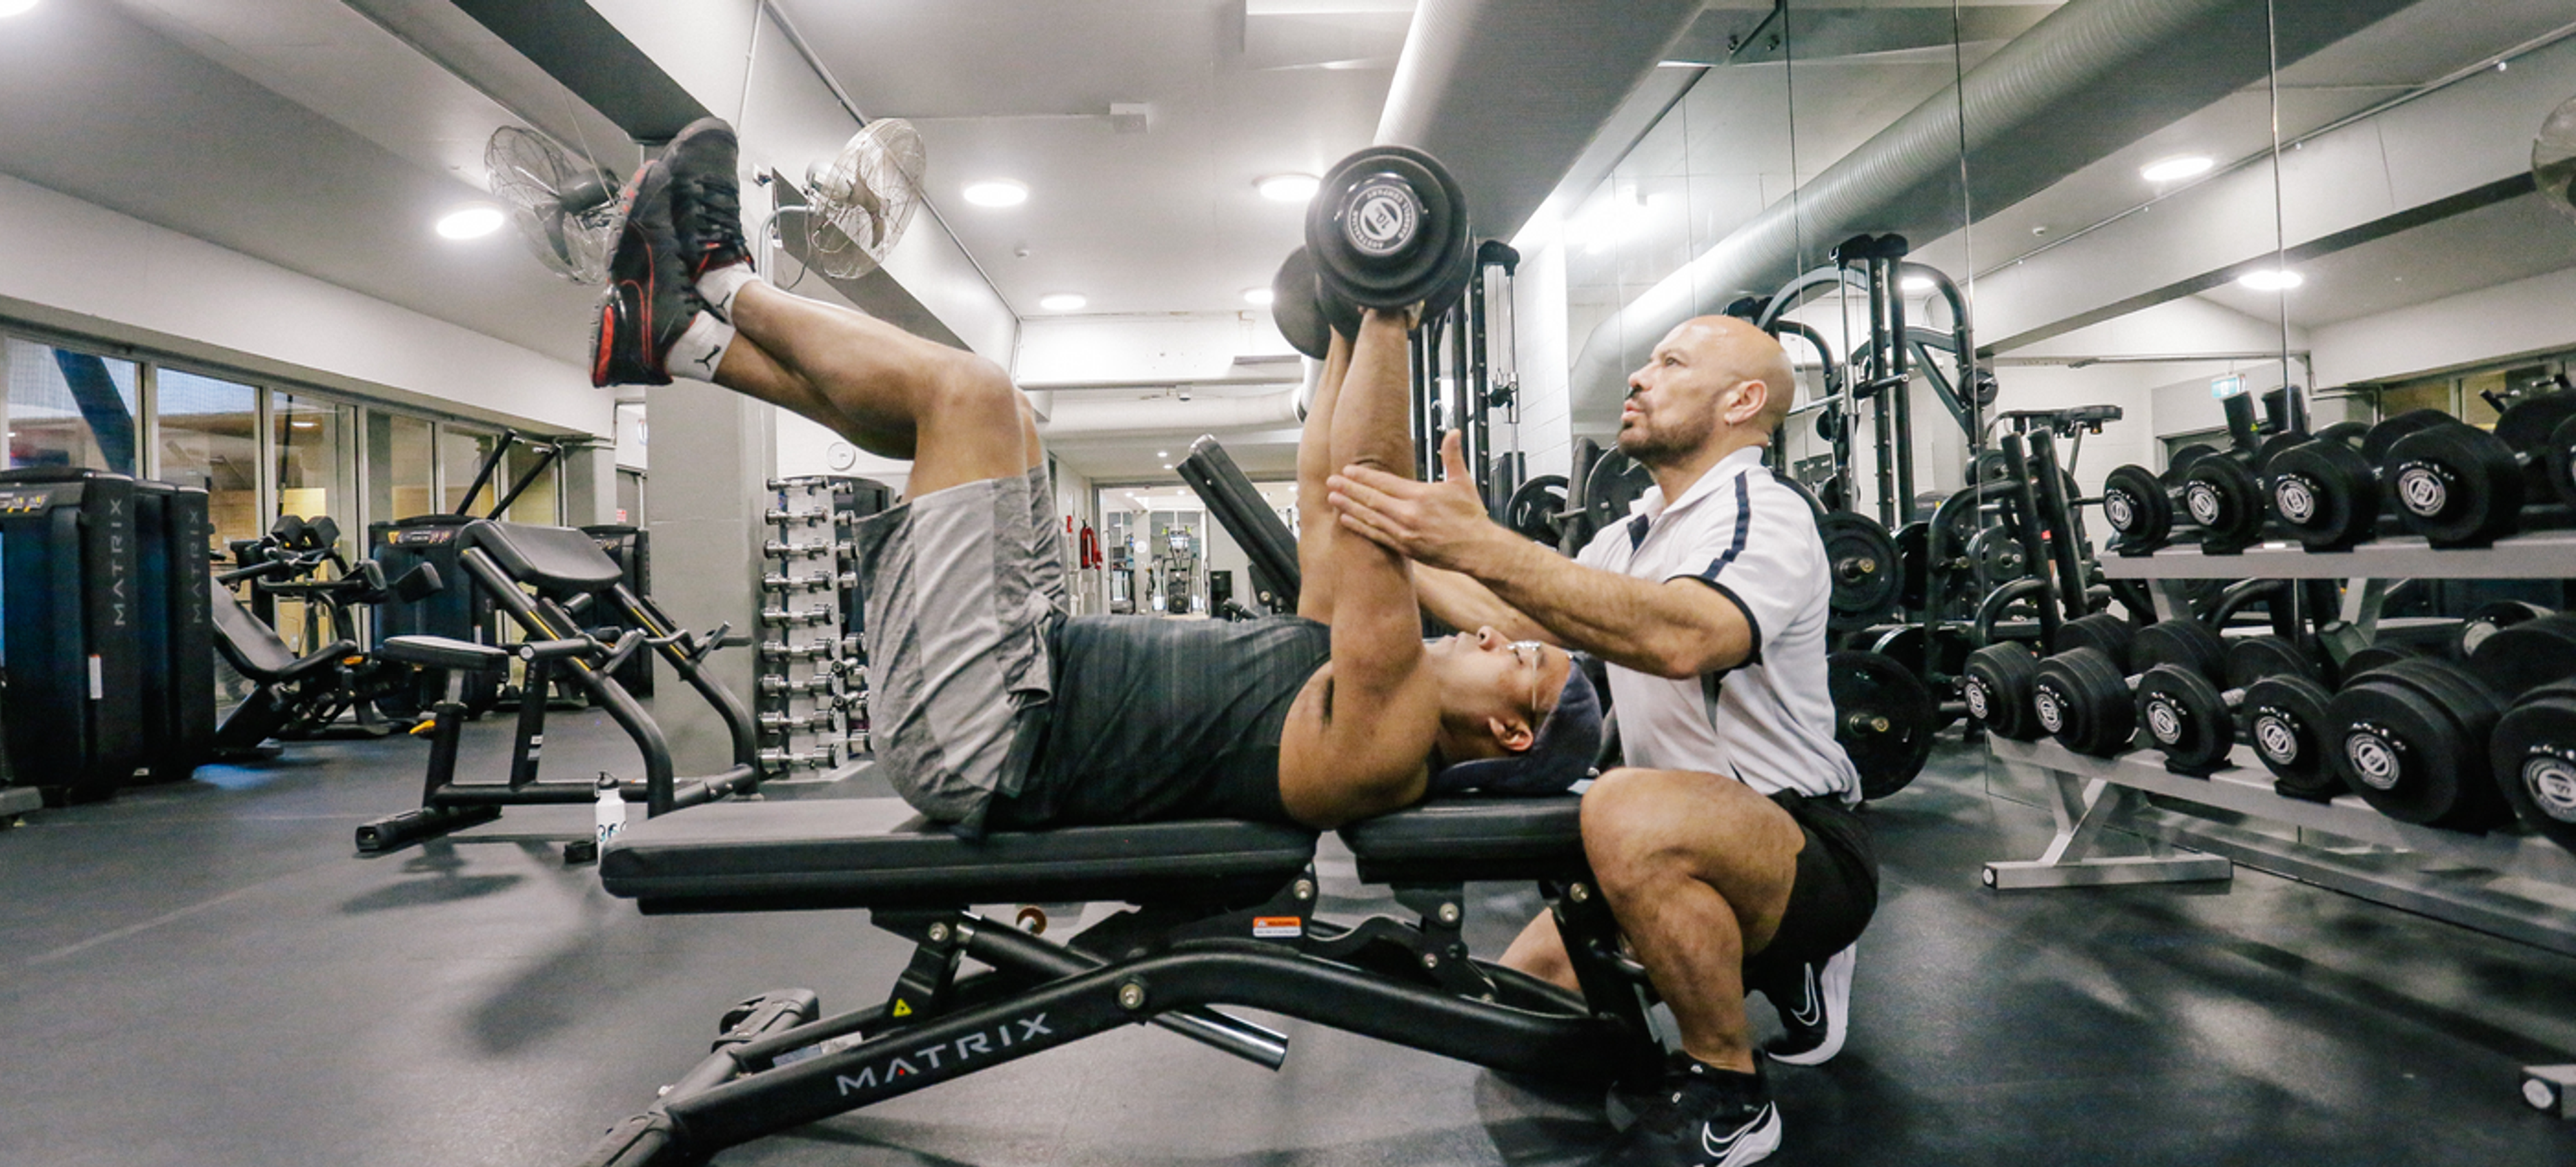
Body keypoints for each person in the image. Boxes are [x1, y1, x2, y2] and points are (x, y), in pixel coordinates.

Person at [586, 118, 1601, 836]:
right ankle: (677, 340)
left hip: (985, 733)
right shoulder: (1360, 671)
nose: (1487, 630)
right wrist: (1345, 323)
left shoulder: (1387, 746)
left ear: (1510, 733)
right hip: (1031, 658)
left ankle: (722, 280)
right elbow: (1330, 486)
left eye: (1521, 661)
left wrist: (1390, 307)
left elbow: (1377, 496)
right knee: (1007, 418)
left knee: (972, 393)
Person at [1325, 315, 1877, 1167]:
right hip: (1674, 836)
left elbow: (1688, 635)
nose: (1640, 376)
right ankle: (1765, 964)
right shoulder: (1631, 531)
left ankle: (1730, 1085)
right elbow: (1524, 619)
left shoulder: (1762, 513)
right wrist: (1380, 537)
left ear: (1743, 400)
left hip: (1798, 839)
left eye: (1671, 362)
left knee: (1624, 805)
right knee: (1529, 1012)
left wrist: (1484, 543)